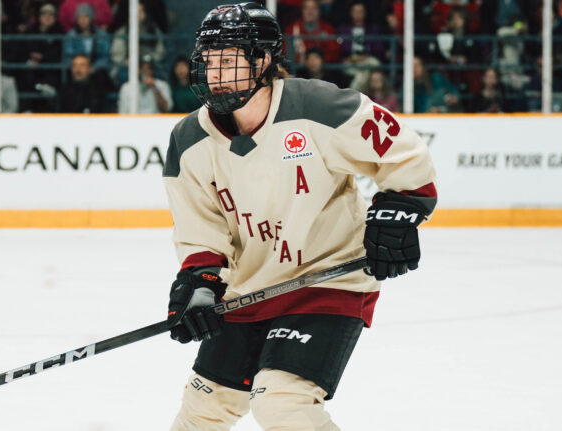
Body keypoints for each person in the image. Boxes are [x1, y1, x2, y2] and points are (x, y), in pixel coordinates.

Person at [164, 3, 437, 430]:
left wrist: (399, 210)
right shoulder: (188, 141)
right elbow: (201, 230)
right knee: (201, 413)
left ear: (263, 61)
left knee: (281, 404)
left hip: (326, 282)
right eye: (209, 61)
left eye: (228, 61)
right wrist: (200, 281)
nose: (215, 73)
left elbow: (403, 154)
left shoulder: (319, 108)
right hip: (248, 290)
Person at [64, 3, 111, 71]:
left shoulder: (102, 35)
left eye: (86, 17)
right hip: (76, 70)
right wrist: (79, 67)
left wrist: (93, 68)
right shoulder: (71, 35)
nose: (83, 20)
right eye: (80, 17)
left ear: (91, 18)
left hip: (97, 70)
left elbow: (105, 57)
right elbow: (68, 57)